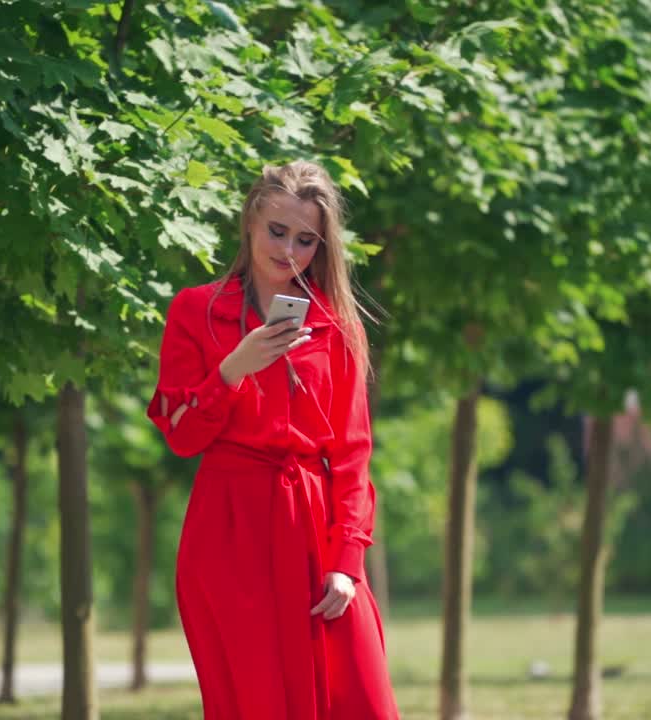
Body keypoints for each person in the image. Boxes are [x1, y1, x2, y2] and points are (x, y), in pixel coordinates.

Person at [147, 160, 400, 719]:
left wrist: (347, 558)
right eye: (277, 231)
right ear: (250, 223)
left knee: (364, 700)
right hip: (230, 529)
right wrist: (233, 370)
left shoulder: (336, 324)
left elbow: (354, 453)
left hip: (315, 523)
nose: (290, 249)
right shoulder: (196, 311)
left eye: (306, 239)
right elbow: (182, 435)